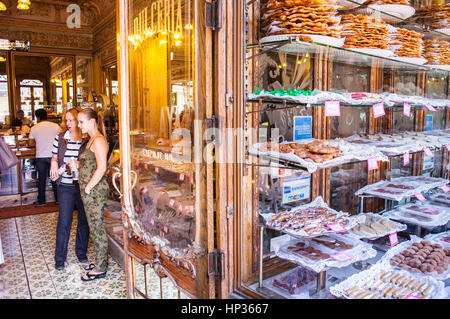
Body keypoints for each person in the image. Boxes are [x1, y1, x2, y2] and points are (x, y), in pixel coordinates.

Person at [50, 108, 90, 271]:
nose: (68, 124)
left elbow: (90, 162)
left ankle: (81, 252)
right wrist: (54, 164)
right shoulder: (60, 138)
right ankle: (60, 258)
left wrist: (78, 165)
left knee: (83, 220)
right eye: (66, 121)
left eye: (71, 120)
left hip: (82, 184)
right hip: (65, 185)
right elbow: (54, 157)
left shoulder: (87, 140)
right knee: (64, 221)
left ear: (79, 122)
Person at [77, 108, 109, 281]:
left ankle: (101, 267)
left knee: (97, 228)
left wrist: (88, 187)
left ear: (91, 122)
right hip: (89, 192)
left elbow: (102, 168)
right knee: (93, 227)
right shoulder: (91, 140)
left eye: (81, 122)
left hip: (94, 192)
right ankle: (100, 260)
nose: (79, 125)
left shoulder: (98, 140)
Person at [28, 108, 60, 206]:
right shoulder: (55, 126)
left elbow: (30, 143)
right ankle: (58, 199)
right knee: (55, 178)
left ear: (37, 117)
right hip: (53, 156)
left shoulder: (34, 128)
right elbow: (62, 139)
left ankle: (42, 201)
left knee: (41, 179)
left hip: (40, 156)